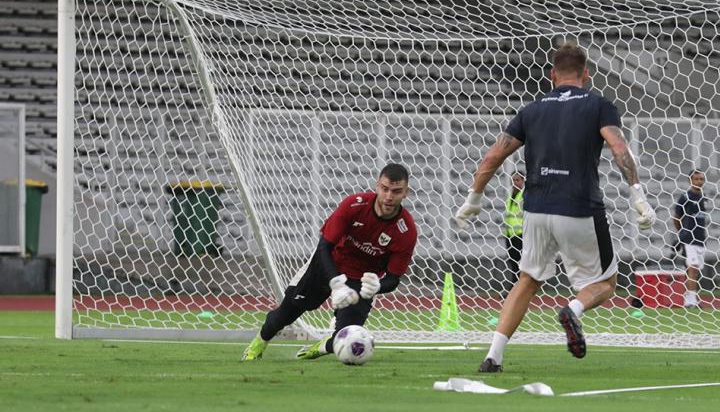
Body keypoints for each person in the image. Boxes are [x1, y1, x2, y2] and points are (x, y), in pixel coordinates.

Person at [454, 41, 656, 372]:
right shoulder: (598, 106)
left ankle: (493, 356)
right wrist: (637, 194)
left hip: (535, 211)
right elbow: (619, 147)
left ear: (552, 75)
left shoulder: (532, 110)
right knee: (606, 284)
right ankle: (573, 310)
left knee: (528, 280)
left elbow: (494, 155)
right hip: (578, 208)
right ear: (585, 74)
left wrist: (472, 199)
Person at [241, 163, 418, 362]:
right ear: (377, 186)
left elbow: (394, 278)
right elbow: (324, 246)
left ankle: (320, 347)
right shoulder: (354, 205)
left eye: (396, 191)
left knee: (349, 337)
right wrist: (336, 284)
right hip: (327, 265)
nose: (389, 196)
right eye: (385, 189)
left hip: (359, 281)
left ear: (406, 193)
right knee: (285, 314)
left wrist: (376, 287)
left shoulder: (406, 231)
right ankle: (258, 343)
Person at [672, 169, 709, 308]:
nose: (699, 181)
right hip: (689, 239)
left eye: (701, 179)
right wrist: (681, 233)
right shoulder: (685, 197)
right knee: (692, 268)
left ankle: (691, 298)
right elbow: (676, 217)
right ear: (690, 181)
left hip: (700, 238)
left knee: (695, 270)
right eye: (696, 179)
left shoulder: (703, 197)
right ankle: (690, 301)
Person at [503, 172, 525, 287]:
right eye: (513, 180)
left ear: (523, 181)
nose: (514, 183)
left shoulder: (525, 195)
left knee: (522, 263)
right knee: (513, 262)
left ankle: (521, 288)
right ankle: (514, 286)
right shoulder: (510, 195)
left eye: (517, 180)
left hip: (521, 234)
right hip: (509, 234)